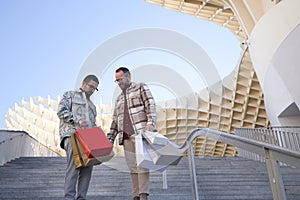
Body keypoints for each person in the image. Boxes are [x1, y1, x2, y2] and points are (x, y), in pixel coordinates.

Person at [107, 67, 157, 200]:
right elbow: (115, 120)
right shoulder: (118, 99)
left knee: (142, 164)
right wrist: (110, 139)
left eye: (121, 79)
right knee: (133, 167)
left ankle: (143, 195)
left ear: (128, 77)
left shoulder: (140, 87)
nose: (119, 83)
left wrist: (150, 123)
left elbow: (150, 104)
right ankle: (135, 195)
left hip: (140, 132)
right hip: (125, 137)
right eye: (116, 81)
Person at [57, 74, 99, 200]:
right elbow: (61, 111)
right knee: (74, 167)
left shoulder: (93, 106)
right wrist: (77, 120)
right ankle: (69, 197)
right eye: (91, 86)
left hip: (89, 139)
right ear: (83, 84)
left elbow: (92, 123)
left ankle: (81, 197)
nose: (92, 90)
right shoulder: (70, 95)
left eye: (95, 88)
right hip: (72, 134)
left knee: (87, 170)